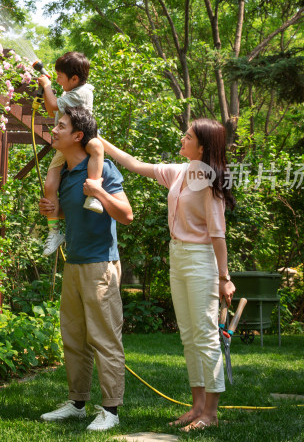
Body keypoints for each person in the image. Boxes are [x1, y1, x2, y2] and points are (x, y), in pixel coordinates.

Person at [99, 119, 236, 432]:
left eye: (188, 136)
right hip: (179, 256)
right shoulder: (180, 172)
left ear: (202, 147)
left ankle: (211, 414)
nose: (182, 138)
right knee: (189, 336)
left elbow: (218, 234)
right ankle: (197, 406)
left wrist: (224, 277)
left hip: (202, 259)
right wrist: (99, 140)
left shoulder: (210, 182)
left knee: (205, 335)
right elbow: (134, 164)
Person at [38, 105, 133, 432]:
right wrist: (55, 210)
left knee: (104, 339)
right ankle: (77, 403)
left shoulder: (103, 169)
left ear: (78, 135)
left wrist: (100, 191)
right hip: (74, 264)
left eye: (60, 126)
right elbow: (73, 213)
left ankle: (111, 410)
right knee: (74, 338)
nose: (55, 130)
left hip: (100, 266)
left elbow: (126, 214)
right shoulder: (65, 173)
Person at [37, 51, 106, 257]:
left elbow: (51, 105)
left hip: (83, 138)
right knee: (50, 184)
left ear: (74, 79)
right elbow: (53, 111)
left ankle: (94, 195)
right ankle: (54, 231)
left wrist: (47, 87)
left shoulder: (81, 93)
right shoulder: (69, 94)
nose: (57, 79)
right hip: (68, 144)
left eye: (60, 75)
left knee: (96, 148)